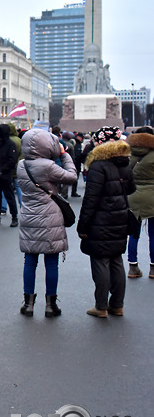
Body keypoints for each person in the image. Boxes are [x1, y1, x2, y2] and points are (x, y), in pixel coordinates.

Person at [17, 129, 77, 317]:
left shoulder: (21, 165)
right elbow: (72, 177)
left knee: (30, 261)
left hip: (29, 217)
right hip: (50, 217)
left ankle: (28, 304)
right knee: (51, 262)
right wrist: (64, 154)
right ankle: (51, 305)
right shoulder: (49, 166)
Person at [77, 136, 135, 318]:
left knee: (101, 261)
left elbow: (91, 199)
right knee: (116, 260)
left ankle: (101, 306)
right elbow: (131, 189)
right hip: (120, 218)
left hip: (100, 220)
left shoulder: (98, 167)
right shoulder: (125, 165)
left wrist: (83, 226)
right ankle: (117, 305)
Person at [125, 126, 154, 279]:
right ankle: (153, 268)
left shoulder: (129, 153)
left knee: (133, 234)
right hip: (152, 197)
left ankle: (133, 267)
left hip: (133, 196)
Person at [0, 124, 19, 227]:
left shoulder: (10, 144)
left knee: (9, 196)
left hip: (5, 174)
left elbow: (13, 159)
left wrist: (3, 170)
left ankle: (14, 217)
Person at [71, 132, 84, 197]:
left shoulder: (76, 143)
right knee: (75, 178)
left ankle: (73, 192)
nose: (82, 139)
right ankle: (73, 192)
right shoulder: (76, 144)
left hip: (75, 164)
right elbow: (77, 155)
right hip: (76, 164)